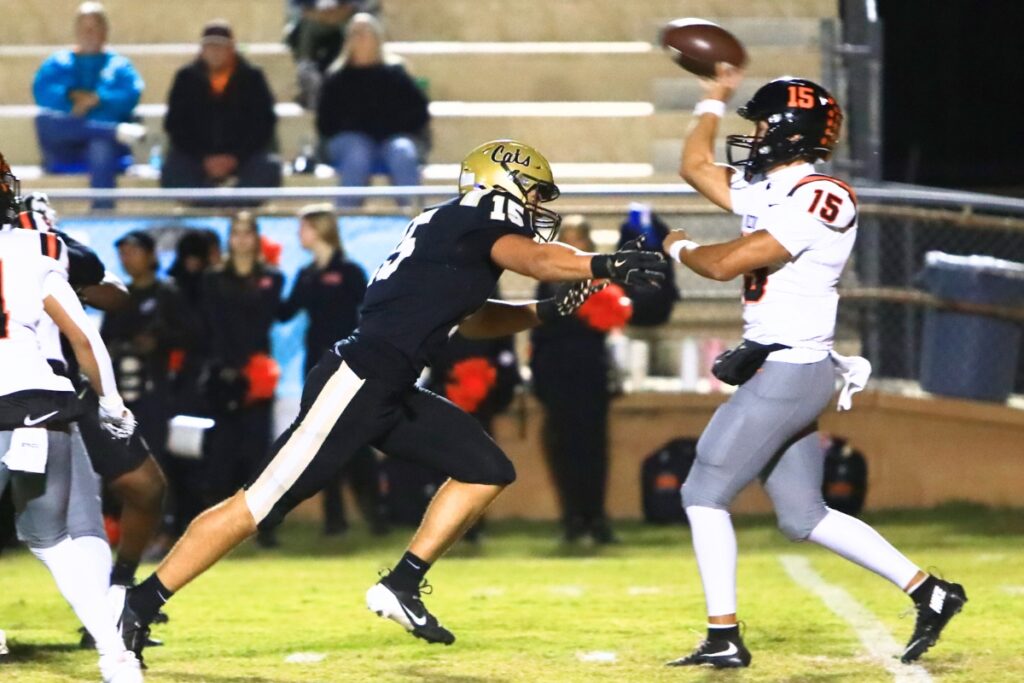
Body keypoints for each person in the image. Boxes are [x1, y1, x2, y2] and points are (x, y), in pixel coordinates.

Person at [117, 139, 665, 659]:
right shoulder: (475, 219)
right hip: (357, 379)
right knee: (257, 504)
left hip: (391, 383)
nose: (538, 206)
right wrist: (606, 263)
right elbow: (540, 262)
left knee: (486, 468)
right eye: (534, 193)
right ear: (502, 183)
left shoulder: (459, 229)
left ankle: (402, 583)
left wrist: (544, 311)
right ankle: (137, 604)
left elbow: (473, 322)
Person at [660, 66, 966, 668]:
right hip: (783, 368)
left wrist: (676, 247)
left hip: (790, 371)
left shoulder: (823, 195)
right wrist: (711, 100)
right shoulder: (768, 189)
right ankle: (931, 592)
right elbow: (695, 166)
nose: (753, 137)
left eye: (763, 125)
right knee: (804, 516)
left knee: (702, 491)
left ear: (793, 134)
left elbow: (728, 263)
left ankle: (724, 635)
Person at [0, 157, 143, 682]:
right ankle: (115, 653)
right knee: (53, 540)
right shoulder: (36, 251)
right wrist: (112, 406)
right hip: (43, 405)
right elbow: (86, 338)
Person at [19, 194, 169, 618]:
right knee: (57, 521)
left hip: (66, 389)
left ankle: (118, 593)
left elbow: (113, 292)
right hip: (14, 388)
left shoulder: (47, 248)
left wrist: (60, 257)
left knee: (144, 488)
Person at [278, 204, 379, 535]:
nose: (299, 235)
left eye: (303, 227)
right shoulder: (305, 274)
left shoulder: (349, 271)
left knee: (356, 437)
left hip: (349, 363)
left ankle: (375, 510)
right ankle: (334, 518)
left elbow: (367, 312)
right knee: (320, 438)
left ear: (318, 229)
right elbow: (285, 312)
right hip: (316, 362)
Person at [100, 230, 196, 553]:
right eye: (123, 253)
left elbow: (192, 336)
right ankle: (122, 526)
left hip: (155, 392)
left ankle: (164, 530)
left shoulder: (168, 293)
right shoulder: (118, 297)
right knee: (119, 464)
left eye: (133, 252)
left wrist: (160, 340)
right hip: (121, 395)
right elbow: (103, 340)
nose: (127, 259)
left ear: (151, 255)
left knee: (157, 462)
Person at [531, 216, 619, 544]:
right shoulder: (547, 278)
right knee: (562, 449)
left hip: (589, 373)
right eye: (567, 238)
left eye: (578, 239)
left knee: (594, 448)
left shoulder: (600, 278)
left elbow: (610, 320)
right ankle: (571, 517)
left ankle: (595, 516)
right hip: (557, 374)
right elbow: (541, 327)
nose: (573, 245)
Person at [200, 212, 284, 547]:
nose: (242, 239)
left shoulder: (273, 278)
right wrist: (227, 366)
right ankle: (217, 529)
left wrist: (249, 366)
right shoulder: (212, 278)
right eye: (236, 233)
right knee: (221, 452)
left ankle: (263, 528)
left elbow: (262, 320)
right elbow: (213, 324)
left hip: (258, 372)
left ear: (256, 238)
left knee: (258, 452)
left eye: (247, 233)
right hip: (224, 372)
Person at [32, 2, 146, 210]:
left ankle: (102, 215)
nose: (89, 33)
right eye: (84, 27)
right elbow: (42, 93)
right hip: (65, 146)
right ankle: (113, 132)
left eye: (94, 27)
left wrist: (98, 99)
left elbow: (130, 96)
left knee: (99, 146)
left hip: (105, 151)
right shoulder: (57, 63)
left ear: (105, 32)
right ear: (76, 31)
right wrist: (70, 97)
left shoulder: (120, 66)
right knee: (45, 121)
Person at [317, 13, 430, 208]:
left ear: (377, 38)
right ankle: (345, 217)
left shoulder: (396, 74)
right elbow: (326, 123)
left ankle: (418, 220)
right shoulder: (337, 77)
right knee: (357, 152)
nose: (360, 37)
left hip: (392, 138)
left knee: (403, 151)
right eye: (355, 33)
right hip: (349, 142)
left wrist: (384, 128)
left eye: (366, 32)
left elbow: (418, 113)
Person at [161, 20, 282, 199]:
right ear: (201, 50)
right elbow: (175, 125)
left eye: (221, 46)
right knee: (173, 170)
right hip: (196, 156)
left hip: (244, 156)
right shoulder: (185, 78)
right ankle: (203, 206)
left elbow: (263, 123)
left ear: (232, 48)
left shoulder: (252, 77)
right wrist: (204, 158)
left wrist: (234, 157)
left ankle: (238, 208)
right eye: (210, 46)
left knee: (268, 168)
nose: (215, 51)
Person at [286, 0, 382, 110]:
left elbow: (361, 4)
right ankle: (306, 72)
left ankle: (350, 67)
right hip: (314, 18)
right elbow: (297, 6)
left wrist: (341, 12)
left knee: (357, 28)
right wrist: (317, 14)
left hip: (347, 17)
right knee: (306, 30)